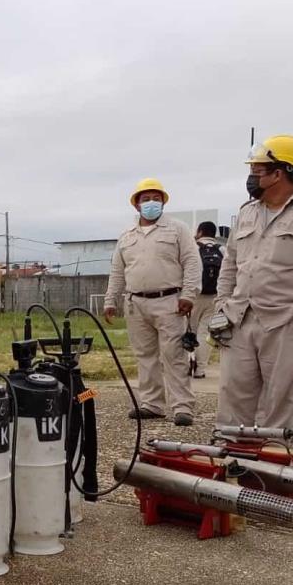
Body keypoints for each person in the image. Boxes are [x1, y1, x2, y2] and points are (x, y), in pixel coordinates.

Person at [214, 135, 293, 429]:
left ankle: (269, 463)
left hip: (286, 322)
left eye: (258, 170)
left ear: (280, 173)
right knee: (233, 396)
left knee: (280, 401)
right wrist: (223, 304)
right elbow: (230, 262)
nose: (251, 177)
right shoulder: (247, 212)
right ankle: (233, 455)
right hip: (240, 319)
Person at [103, 178, 200, 426]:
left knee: (174, 355)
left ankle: (182, 407)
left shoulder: (177, 230)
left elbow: (191, 262)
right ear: (136, 205)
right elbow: (117, 270)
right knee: (145, 356)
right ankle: (152, 404)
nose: (151, 203)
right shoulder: (126, 236)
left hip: (170, 301)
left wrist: (189, 294)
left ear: (163, 202)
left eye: (156, 198)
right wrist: (110, 300)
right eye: (146, 199)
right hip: (136, 304)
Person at [191, 220, 222, 379]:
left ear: (200, 232)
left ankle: (188, 363)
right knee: (204, 333)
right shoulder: (222, 250)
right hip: (214, 297)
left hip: (193, 296)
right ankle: (200, 370)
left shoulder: (193, 248)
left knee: (189, 331)